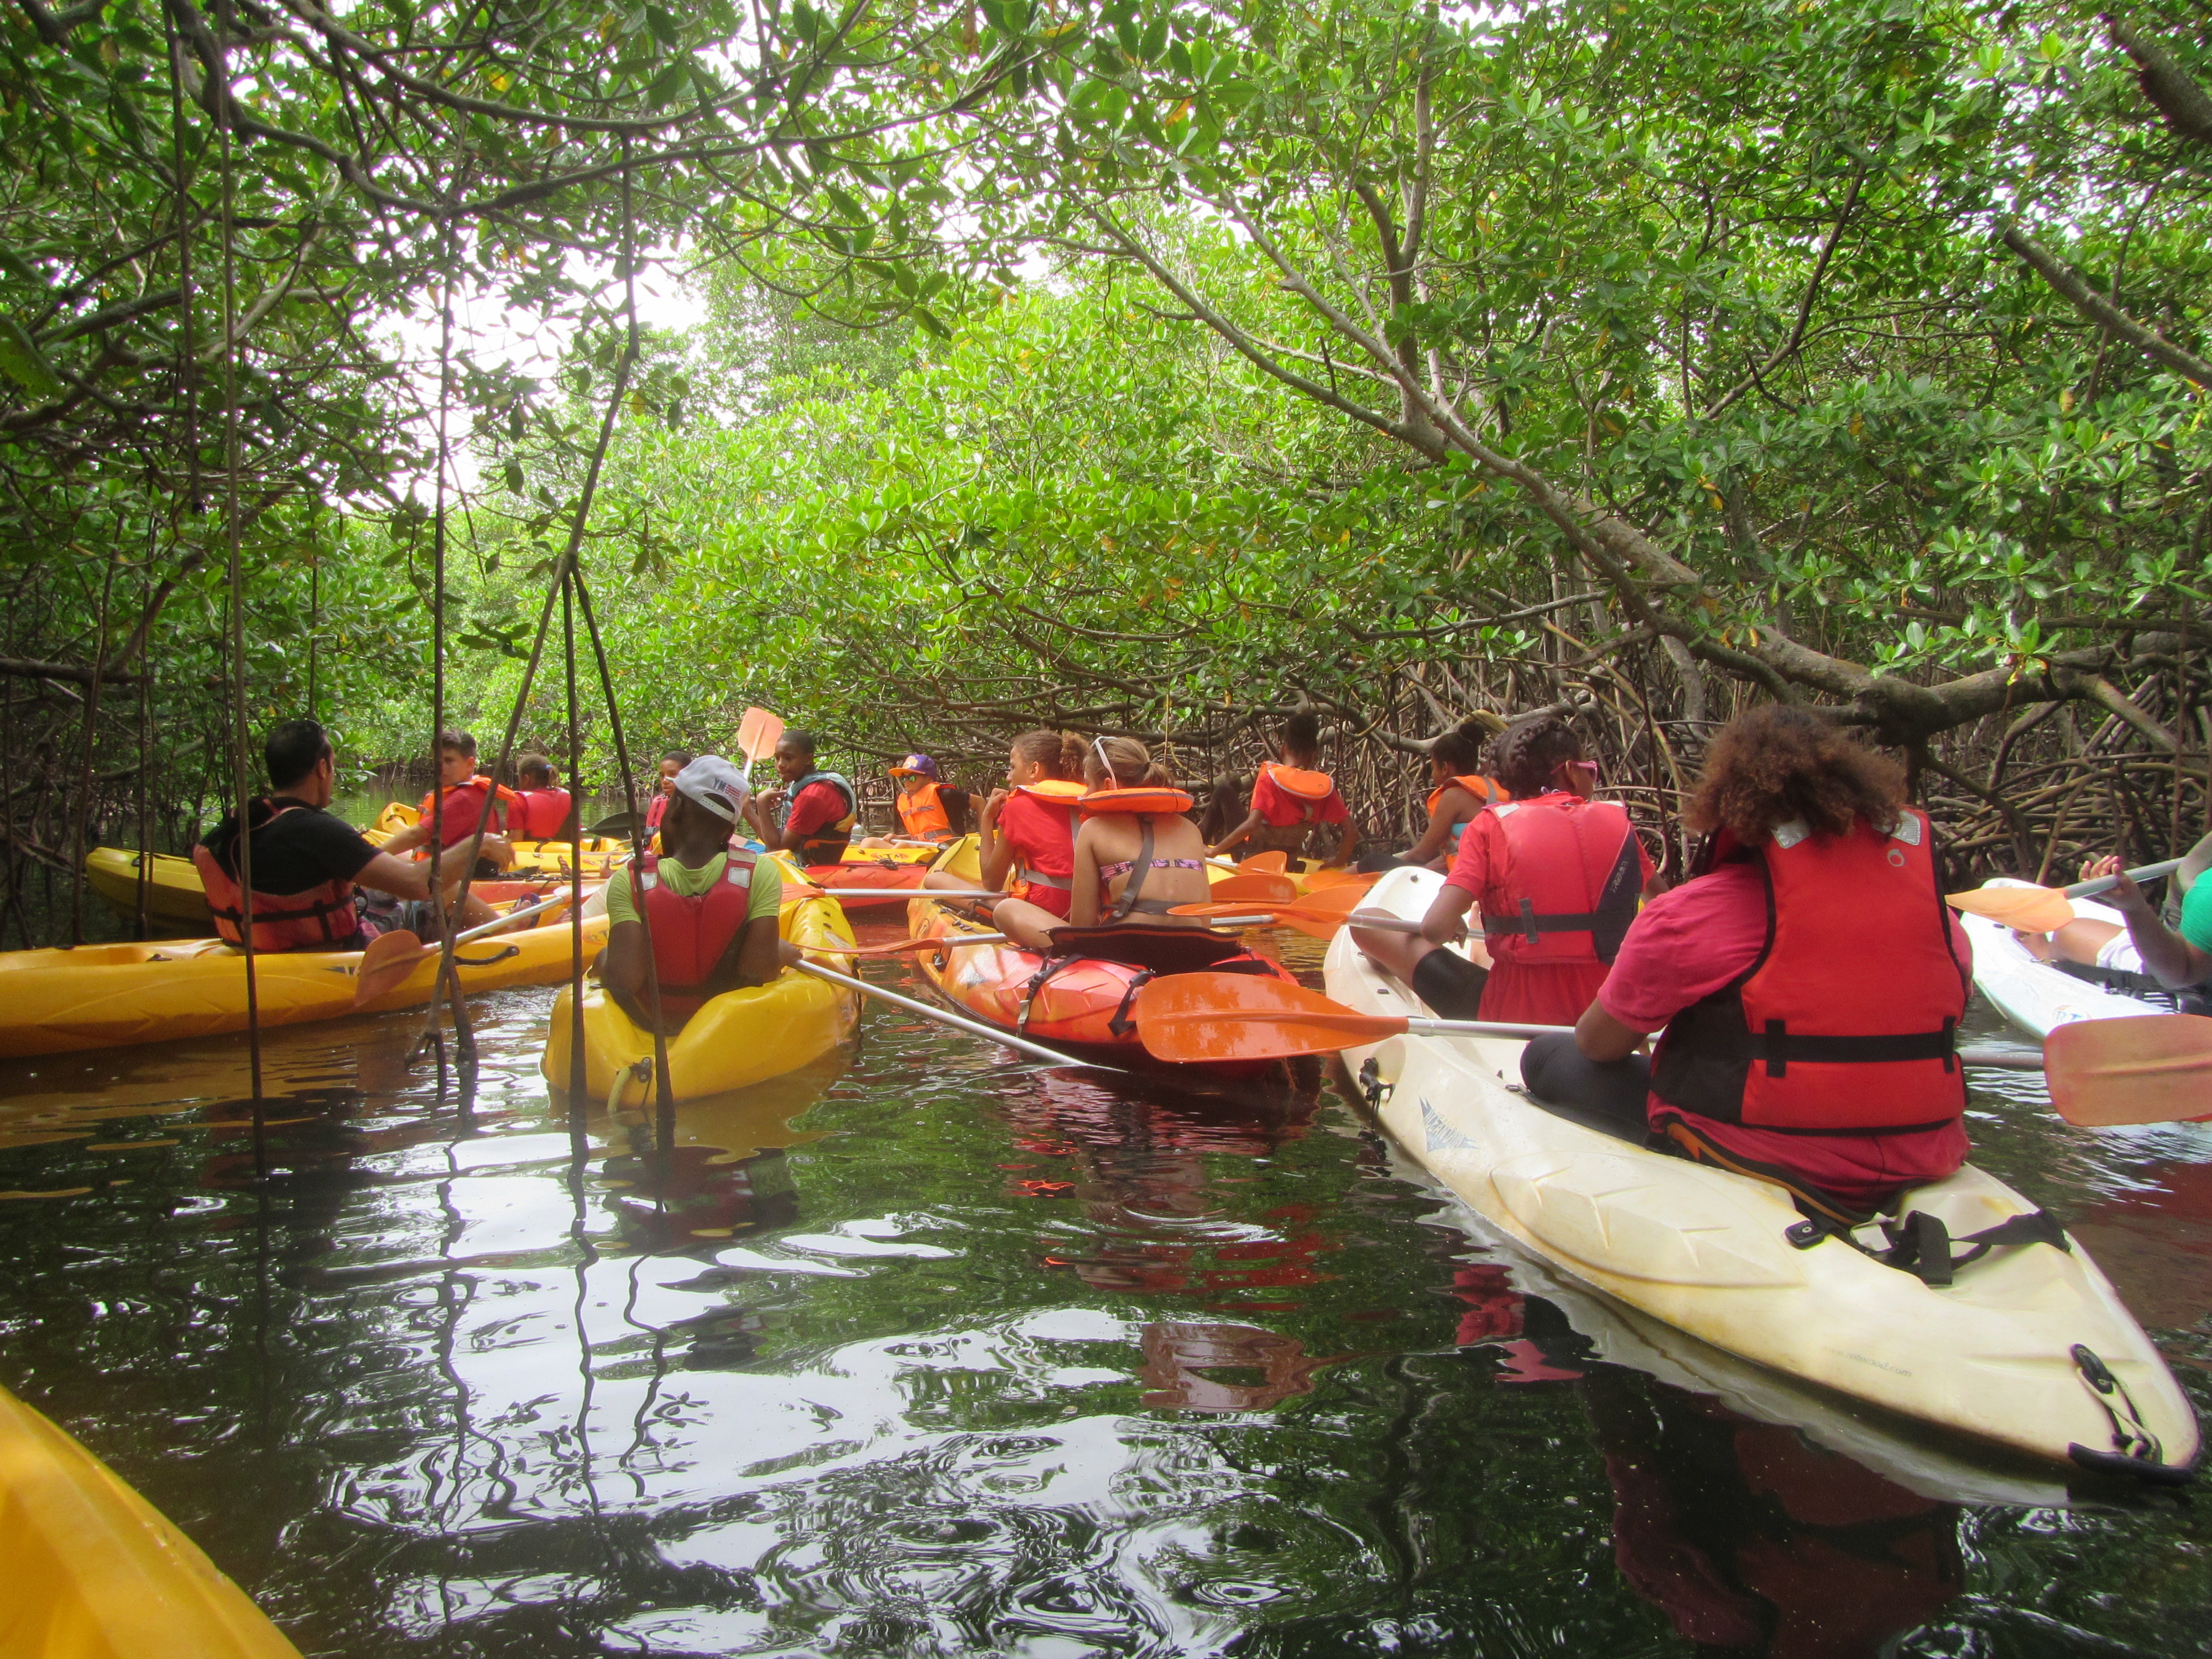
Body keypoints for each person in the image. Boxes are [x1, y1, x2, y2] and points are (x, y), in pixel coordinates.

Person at [1527, 704, 1974, 1218]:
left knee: (1546, 1056)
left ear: (1730, 802)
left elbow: (1597, 1044)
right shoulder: (1944, 925)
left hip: (1760, 1152)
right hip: (1923, 1153)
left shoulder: (1689, 915)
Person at [1353, 712, 1654, 1026]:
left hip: (1509, 1013)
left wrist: (1448, 920)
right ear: (1571, 772)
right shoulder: (1619, 827)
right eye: (1590, 769)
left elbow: (1434, 930)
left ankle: (1382, 962)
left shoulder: (1489, 825)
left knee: (1366, 922)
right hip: (1607, 1016)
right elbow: (1664, 906)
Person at [194, 718, 497, 952]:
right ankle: (507, 934)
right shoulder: (317, 829)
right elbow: (418, 884)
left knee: (392, 883)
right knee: (442, 890)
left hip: (253, 947)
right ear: (322, 768)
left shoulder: (234, 825)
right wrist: (479, 844)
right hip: (333, 951)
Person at [599, 755, 796, 1031]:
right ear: (731, 829)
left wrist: (603, 960)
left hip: (653, 1026)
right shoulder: (761, 873)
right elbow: (758, 971)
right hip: (726, 1029)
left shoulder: (629, 879)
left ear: (676, 807)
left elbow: (624, 980)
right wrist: (780, 953)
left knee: (605, 955)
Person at [2017, 837, 2212, 1002]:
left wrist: (2133, 906)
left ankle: (2048, 955)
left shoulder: (2207, 894)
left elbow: (2179, 976)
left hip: (2190, 1000)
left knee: (2067, 933)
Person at [941, 729, 1087, 945]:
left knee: (936, 880)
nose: (1008, 777)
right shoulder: (1090, 802)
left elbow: (991, 882)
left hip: (1045, 915)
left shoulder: (1017, 806)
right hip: (1090, 917)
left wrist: (987, 819)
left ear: (1034, 770)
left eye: (1012, 768)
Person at [1066, 737, 1213, 936]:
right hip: (1195, 944)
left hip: (1130, 944)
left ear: (1108, 785)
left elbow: (1081, 927)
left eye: (1087, 784)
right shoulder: (1191, 829)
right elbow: (1205, 919)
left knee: (1018, 910)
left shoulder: (1093, 829)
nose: (1085, 794)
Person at [1207, 711, 1360, 868]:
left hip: (1253, 859)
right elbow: (1352, 830)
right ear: (1313, 755)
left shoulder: (1269, 780)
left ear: (1283, 748)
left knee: (1224, 791)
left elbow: (1252, 825)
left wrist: (1215, 851)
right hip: (1288, 863)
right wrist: (1339, 861)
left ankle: (1200, 846)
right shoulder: (1323, 790)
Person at [377, 727, 515, 879]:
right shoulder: (471, 792)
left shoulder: (464, 799)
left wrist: (372, 858)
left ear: (470, 764)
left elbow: (415, 836)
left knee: (379, 866)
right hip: (457, 870)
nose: (441, 767)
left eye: (449, 761)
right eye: (437, 761)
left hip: (457, 880)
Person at [1396, 717, 1508, 870]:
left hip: (1475, 877)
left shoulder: (1453, 797)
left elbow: (1421, 854)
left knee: (1371, 861)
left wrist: (1382, 872)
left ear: (1445, 768)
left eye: (1433, 768)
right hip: (1501, 869)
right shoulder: (1495, 787)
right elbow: (1455, 852)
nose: (1432, 776)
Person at [743, 729, 859, 865]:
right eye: (777, 758)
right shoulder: (807, 783)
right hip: (796, 857)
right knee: (736, 841)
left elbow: (779, 851)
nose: (780, 765)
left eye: (788, 758)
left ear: (808, 759)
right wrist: (747, 809)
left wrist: (760, 804)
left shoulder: (812, 796)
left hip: (804, 866)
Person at [875, 754, 978, 844]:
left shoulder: (945, 794)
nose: (906, 783)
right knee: (870, 842)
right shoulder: (907, 800)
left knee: (903, 845)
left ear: (928, 779)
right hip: (922, 847)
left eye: (912, 778)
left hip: (944, 847)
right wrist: (900, 837)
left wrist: (984, 839)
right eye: (903, 778)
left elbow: (980, 802)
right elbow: (925, 835)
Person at [510, 754, 575, 842]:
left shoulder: (519, 800)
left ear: (526, 779)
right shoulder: (568, 796)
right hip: (565, 849)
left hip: (533, 849)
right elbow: (577, 834)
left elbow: (516, 839)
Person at [641, 749, 694, 836]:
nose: (665, 780)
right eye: (662, 776)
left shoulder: (698, 805)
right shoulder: (659, 801)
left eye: (672, 774)